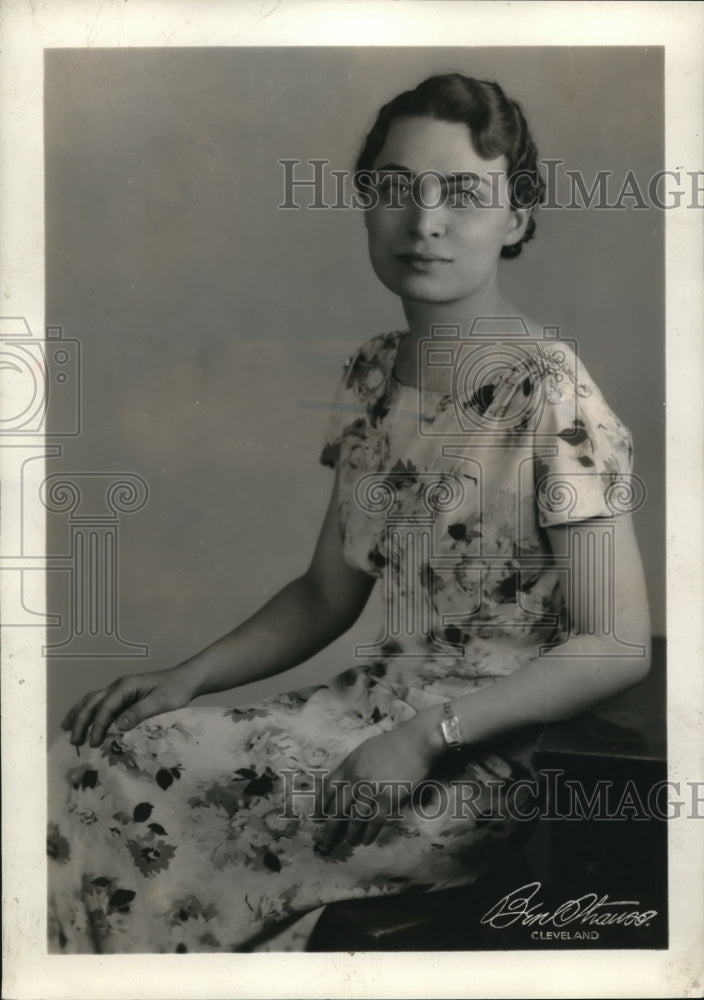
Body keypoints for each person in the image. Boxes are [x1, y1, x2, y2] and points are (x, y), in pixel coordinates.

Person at [47, 72, 651, 953]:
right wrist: (189, 677)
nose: (426, 221)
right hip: (357, 714)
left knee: (122, 799)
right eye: (397, 190)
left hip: (480, 760)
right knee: (91, 762)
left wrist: (425, 738)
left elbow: (618, 644)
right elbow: (327, 592)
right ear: (368, 207)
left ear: (515, 219)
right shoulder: (374, 374)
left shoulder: (549, 394)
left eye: (463, 194)